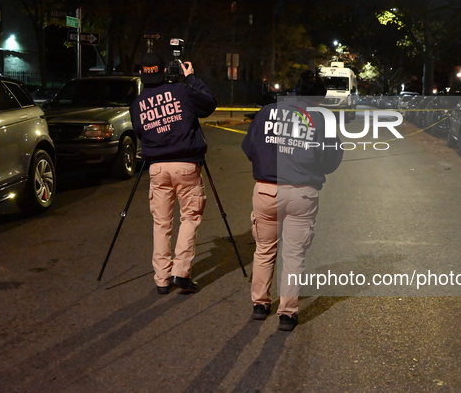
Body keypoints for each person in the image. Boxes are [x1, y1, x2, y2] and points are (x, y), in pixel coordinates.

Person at [241, 70, 343, 331]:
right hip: (301, 191)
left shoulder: (267, 111)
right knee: (294, 255)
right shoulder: (321, 119)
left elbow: (248, 147)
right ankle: (287, 313)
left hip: (266, 190)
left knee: (264, 250)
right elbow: (331, 160)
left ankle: (259, 305)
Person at [130, 52, 217, 295]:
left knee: (161, 223)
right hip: (186, 164)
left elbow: (140, 131)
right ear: (164, 72)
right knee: (189, 217)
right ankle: (181, 272)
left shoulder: (137, 104)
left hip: (157, 167)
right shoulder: (181, 91)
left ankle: (161, 279)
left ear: (141, 74)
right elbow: (209, 103)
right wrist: (191, 79)